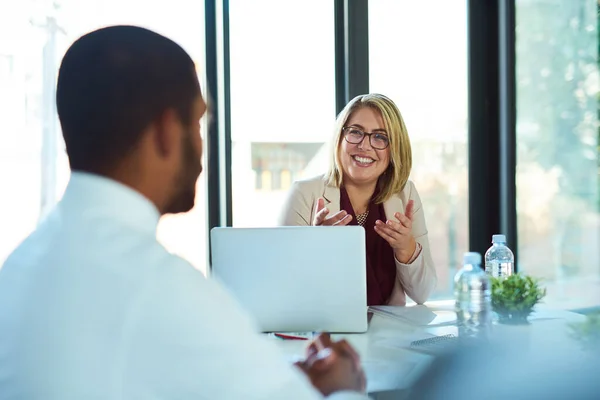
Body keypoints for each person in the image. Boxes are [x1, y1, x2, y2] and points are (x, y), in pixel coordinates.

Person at [0, 26, 369, 399]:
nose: (200, 144)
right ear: (165, 131)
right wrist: (342, 388)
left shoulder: (20, 265)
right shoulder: (163, 290)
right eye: (197, 122)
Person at [279, 94, 436, 306]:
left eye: (380, 137)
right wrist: (316, 248)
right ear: (340, 138)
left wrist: (405, 248)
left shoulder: (405, 194)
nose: (364, 146)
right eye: (355, 132)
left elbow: (422, 294)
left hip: (390, 334)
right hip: (329, 333)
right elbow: (285, 292)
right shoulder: (304, 193)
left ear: (394, 149)